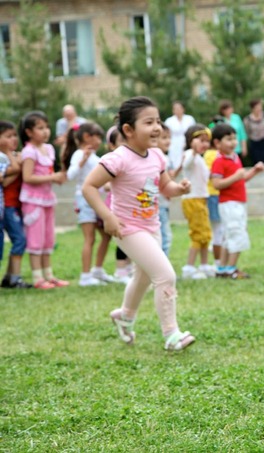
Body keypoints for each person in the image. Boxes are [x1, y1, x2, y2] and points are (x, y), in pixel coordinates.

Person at [82, 96, 195, 351]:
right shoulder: (118, 158)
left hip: (151, 226)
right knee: (165, 275)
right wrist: (107, 216)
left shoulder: (156, 155)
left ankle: (124, 315)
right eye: (148, 122)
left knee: (143, 277)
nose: (156, 127)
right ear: (128, 130)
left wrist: (180, 188)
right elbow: (89, 186)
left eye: (158, 121)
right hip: (127, 228)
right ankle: (172, 334)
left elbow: (165, 186)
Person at [62, 121, 118, 286]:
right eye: (98, 137)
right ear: (87, 137)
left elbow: (100, 183)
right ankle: (85, 276)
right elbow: (70, 176)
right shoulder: (80, 154)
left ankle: (98, 270)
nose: (100, 141)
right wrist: (83, 160)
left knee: (106, 235)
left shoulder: (95, 157)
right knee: (90, 238)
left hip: (95, 200)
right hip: (83, 199)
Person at [19, 111, 69, 289]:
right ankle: (38, 278)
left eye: (46, 127)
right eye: (40, 128)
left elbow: (48, 173)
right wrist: (53, 177)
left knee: (48, 239)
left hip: (47, 199)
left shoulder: (48, 149)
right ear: (29, 132)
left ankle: (49, 275)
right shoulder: (29, 151)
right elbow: (28, 177)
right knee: (35, 239)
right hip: (33, 201)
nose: (46, 131)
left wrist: (56, 177)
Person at [210, 123, 264, 279]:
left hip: (238, 202)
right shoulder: (219, 161)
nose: (233, 142)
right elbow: (216, 184)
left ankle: (222, 268)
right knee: (236, 233)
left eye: (234, 138)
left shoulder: (235, 158)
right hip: (229, 204)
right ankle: (231, 269)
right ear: (217, 143)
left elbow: (241, 180)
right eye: (229, 139)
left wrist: (254, 171)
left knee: (230, 235)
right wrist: (236, 176)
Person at [180, 124, 214, 279]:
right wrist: (193, 151)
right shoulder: (189, 155)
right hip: (192, 200)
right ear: (191, 140)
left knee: (205, 233)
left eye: (207, 141)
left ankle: (204, 264)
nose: (204, 144)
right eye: (201, 140)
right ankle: (189, 267)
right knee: (197, 233)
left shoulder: (200, 159)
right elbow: (185, 165)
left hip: (201, 198)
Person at [1, 122, 31, 289]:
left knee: (19, 240)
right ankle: (14, 279)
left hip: (16, 206)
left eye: (14, 135)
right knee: (19, 240)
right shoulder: (3, 158)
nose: (13, 139)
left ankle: (9, 277)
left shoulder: (14, 156)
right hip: (7, 206)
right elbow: (4, 181)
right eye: (7, 136)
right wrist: (16, 163)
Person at [105, 126, 134, 284]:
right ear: (112, 145)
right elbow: (105, 185)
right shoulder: (113, 161)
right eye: (122, 141)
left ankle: (128, 268)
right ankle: (120, 270)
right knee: (122, 239)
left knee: (131, 239)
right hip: (117, 208)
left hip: (131, 208)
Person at [157, 123, 177, 257]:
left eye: (169, 137)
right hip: (158, 204)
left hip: (164, 203)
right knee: (164, 237)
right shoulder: (159, 158)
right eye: (164, 138)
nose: (168, 141)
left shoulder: (167, 158)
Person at [202, 140, 223, 268]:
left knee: (219, 228)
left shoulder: (213, 154)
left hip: (216, 194)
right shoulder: (211, 154)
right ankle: (218, 261)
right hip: (213, 193)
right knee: (218, 228)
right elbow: (209, 173)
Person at [243, 98, 264, 166]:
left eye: (260, 106)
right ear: (252, 108)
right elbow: (247, 132)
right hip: (255, 144)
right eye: (257, 107)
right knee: (257, 164)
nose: (259, 109)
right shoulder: (247, 120)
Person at [165, 101, 196, 170]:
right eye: (175, 109)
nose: (177, 110)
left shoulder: (189, 119)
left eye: (179, 108)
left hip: (187, 142)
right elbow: (166, 134)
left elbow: (193, 132)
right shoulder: (169, 121)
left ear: (183, 109)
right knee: (174, 161)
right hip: (174, 144)